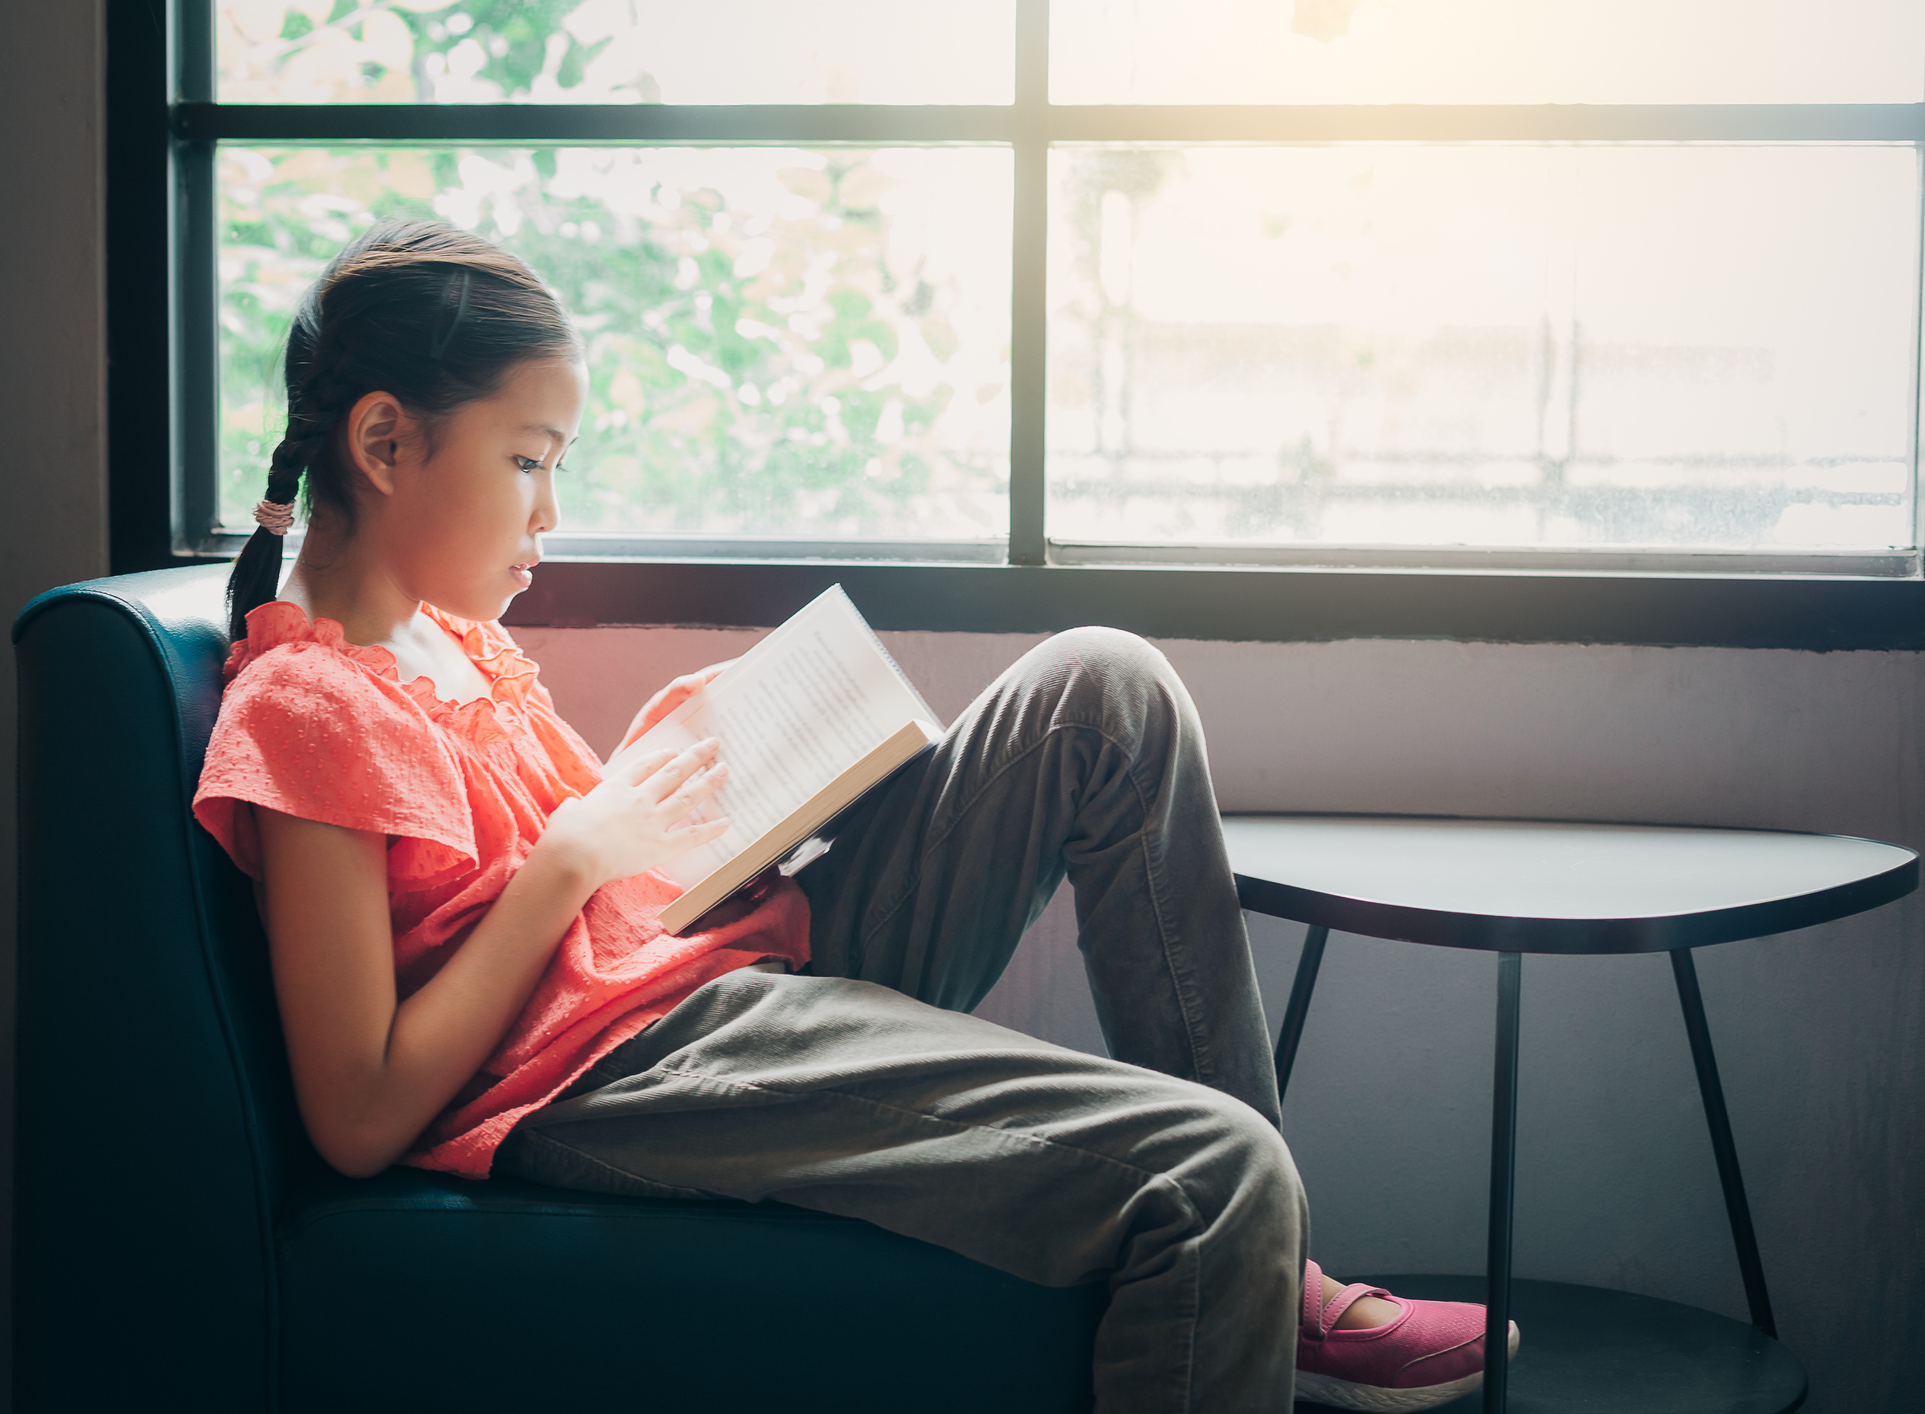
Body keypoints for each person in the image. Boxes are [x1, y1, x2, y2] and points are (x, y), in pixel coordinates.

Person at [191, 218, 1517, 1413]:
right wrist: (567, 861)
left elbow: (582, 860)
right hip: (621, 1068)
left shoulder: (452, 641)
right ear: (382, 441)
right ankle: (1253, 1255)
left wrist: (705, 774)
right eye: (528, 460)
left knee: (1100, 689)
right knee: (1216, 1176)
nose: (554, 510)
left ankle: (1275, 1284)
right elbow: (358, 1112)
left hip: (694, 963)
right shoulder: (306, 706)